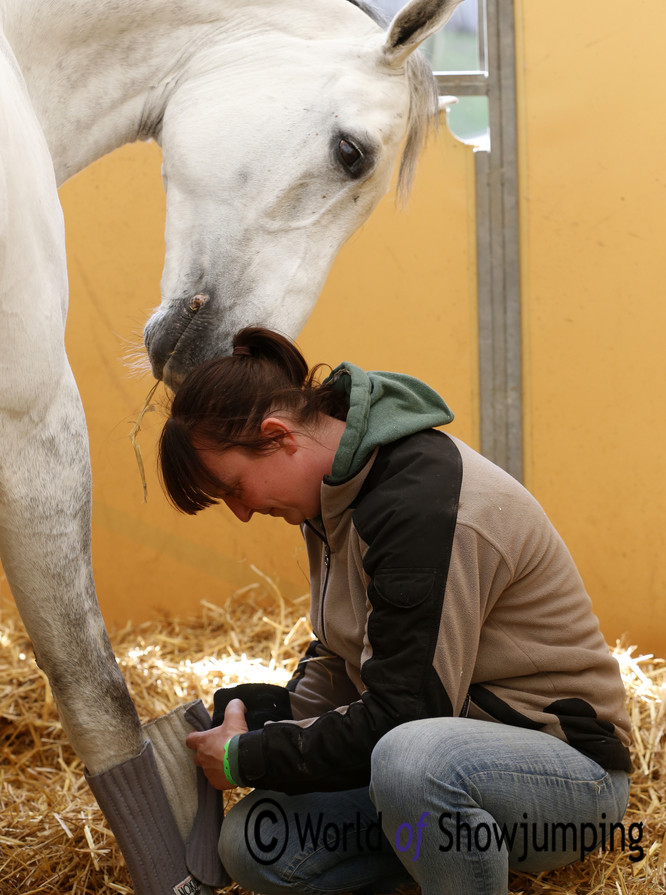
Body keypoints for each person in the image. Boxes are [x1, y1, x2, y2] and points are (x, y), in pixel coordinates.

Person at [157, 326, 632, 895]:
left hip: (565, 780)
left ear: (278, 436)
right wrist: (259, 713)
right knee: (254, 842)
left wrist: (249, 760)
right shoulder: (335, 493)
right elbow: (347, 656)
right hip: (434, 783)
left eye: (233, 488)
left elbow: (405, 713)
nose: (240, 512)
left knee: (411, 759)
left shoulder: (421, 504)